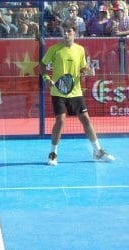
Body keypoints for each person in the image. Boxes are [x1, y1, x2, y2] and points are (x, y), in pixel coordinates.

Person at [40, 21, 115, 166]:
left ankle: (98, 151)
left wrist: (87, 71)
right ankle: (53, 153)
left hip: (76, 91)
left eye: (69, 31)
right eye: (64, 31)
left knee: (85, 119)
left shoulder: (80, 50)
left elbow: (82, 69)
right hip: (58, 91)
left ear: (74, 32)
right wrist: (46, 78)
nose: (66, 34)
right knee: (60, 120)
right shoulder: (54, 49)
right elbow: (42, 65)